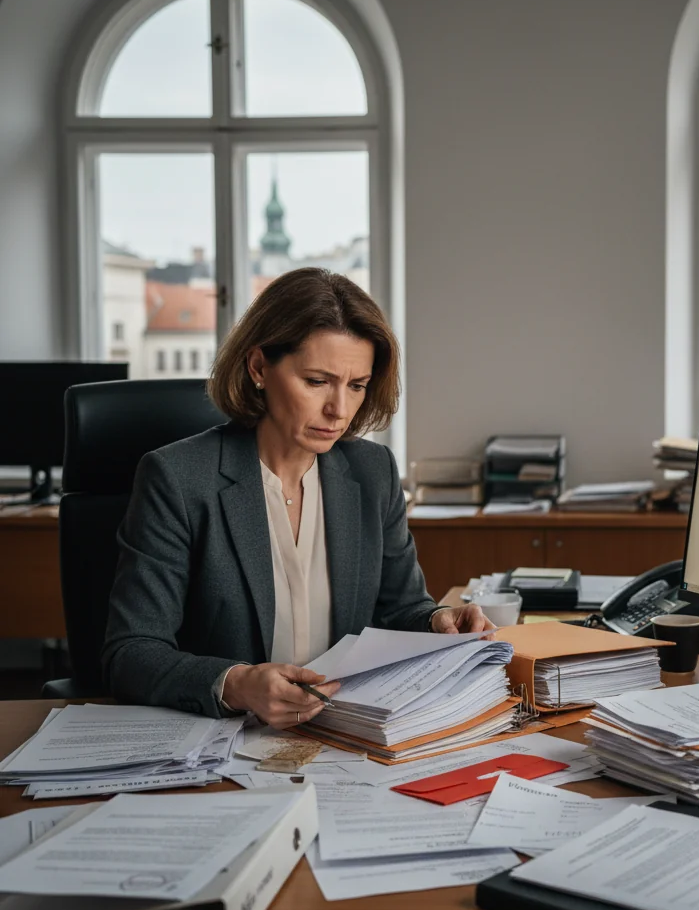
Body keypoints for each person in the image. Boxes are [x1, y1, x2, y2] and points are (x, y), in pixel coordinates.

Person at [103, 267, 489, 727]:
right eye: (317, 381)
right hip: (226, 737)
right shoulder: (179, 478)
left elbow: (402, 608)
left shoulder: (373, 472)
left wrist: (436, 621)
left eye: (357, 385)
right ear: (259, 368)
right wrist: (236, 684)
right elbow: (130, 652)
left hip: (346, 731)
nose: (339, 410)